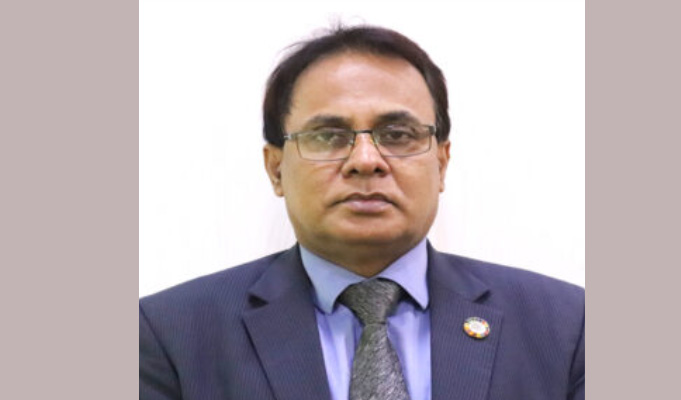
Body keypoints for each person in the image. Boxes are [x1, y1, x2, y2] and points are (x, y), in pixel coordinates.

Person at [140, 25, 584, 400]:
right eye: (328, 135)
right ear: (276, 169)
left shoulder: (567, 327)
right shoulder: (169, 335)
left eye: (398, 134)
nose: (366, 160)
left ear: (442, 162)